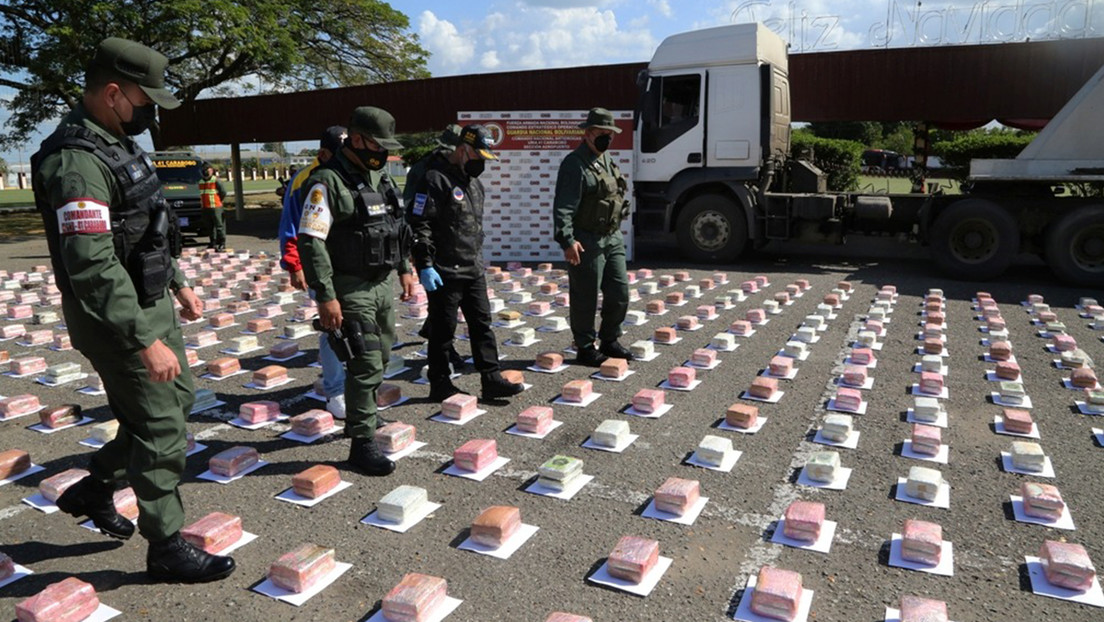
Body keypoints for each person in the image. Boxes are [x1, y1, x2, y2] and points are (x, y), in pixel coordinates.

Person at [30, 37, 234, 583]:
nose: (151, 113)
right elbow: (93, 266)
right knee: (161, 425)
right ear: (114, 93)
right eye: (146, 101)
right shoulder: (77, 162)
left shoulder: (117, 143)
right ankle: (165, 546)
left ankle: (94, 487)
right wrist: (144, 338)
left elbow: (146, 226)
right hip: (116, 319)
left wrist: (179, 282)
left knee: (174, 404)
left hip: (150, 302)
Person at [298, 106, 416, 476]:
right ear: (358, 139)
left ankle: (362, 415)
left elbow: (396, 227)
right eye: (377, 145)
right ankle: (361, 443)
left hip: (381, 283)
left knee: (381, 357)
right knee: (364, 362)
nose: (382, 153)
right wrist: (325, 295)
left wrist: (405, 268)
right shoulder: (327, 182)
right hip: (349, 287)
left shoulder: (380, 177)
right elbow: (311, 241)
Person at [408, 125, 525, 402]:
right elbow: (420, 224)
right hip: (444, 270)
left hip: (472, 268)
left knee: (482, 324)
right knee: (442, 331)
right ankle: (440, 383)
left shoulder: (474, 183)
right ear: (463, 150)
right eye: (478, 156)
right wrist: (425, 264)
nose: (481, 163)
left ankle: (491, 378)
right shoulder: (434, 179)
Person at [553, 107, 633, 367]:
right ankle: (585, 347)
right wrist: (567, 240)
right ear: (587, 133)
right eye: (602, 134)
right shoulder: (574, 164)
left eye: (610, 134)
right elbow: (563, 207)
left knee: (620, 292)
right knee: (585, 296)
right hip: (586, 240)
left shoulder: (607, 159)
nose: (607, 139)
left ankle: (610, 339)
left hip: (612, 237)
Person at [278, 126, 349, 418]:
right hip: (319, 265)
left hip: (349, 265)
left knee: (355, 325)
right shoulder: (305, 180)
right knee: (333, 326)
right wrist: (294, 265)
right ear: (324, 153)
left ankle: (348, 380)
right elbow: (290, 225)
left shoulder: (348, 174)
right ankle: (335, 391)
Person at [402, 124, 464, 369]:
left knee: (449, 299)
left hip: (454, 243)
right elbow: (413, 210)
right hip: (430, 243)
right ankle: (444, 349)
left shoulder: (457, 167)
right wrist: (419, 248)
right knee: (442, 301)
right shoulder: (424, 169)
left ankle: (432, 330)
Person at [199, 163, 226, 250]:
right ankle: (212, 242)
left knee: (219, 226)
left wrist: (218, 200)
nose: (206, 172)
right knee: (209, 226)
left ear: (211, 170)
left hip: (215, 206)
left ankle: (222, 242)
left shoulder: (216, 180)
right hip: (205, 207)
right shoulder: (201, 181)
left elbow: (223, 192)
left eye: (208, 170)